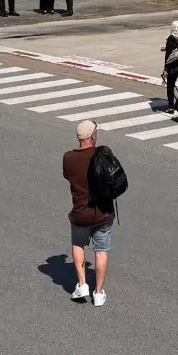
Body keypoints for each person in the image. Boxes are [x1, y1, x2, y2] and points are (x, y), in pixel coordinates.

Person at [62, 120, 114, 307]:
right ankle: (98, 293)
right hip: (103, 213)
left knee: (78, 244)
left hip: (80, 213)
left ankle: (82, 284)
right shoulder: (103, 155)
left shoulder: (69, 158)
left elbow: (68, 176)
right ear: (92, 136)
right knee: (101, 252)